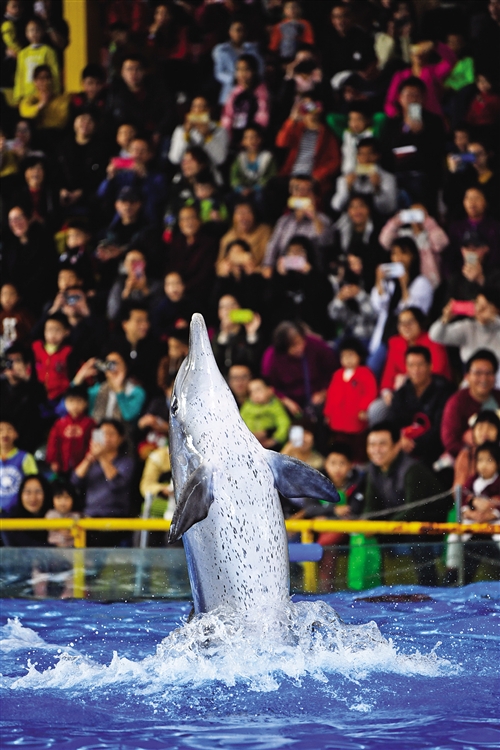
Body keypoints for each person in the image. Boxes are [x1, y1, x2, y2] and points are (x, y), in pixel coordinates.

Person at [363, 421, 451, 586]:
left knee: (416, 536)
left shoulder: (412, 470)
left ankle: (429, 590)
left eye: (382, 444)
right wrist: (367, 522)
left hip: (430, 527)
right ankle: (379, 589)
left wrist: (381, 529)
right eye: (372, 444)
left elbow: (413, 511)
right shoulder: (373, 469)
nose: (376, 450)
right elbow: (370, 505)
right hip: (397, 525)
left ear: (397, 446)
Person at [368, 237, 434, 377]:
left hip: (406, 339)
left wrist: (404, 286)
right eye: (394, 254)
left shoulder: (422, 282)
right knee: (371, 371)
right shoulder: (390, 282)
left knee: (374, 369)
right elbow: (378, 307)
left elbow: (415, 313)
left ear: (413, 256)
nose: (398, 258)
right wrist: (379, 281)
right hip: (385, 336)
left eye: (403, 253)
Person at [387, 345, 455, 466]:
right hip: (404, 447)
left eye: (420, 365)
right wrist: (400, 439)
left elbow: (440, 428)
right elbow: (392, 423)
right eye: (411, 365)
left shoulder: (445, 391)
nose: (415, 370)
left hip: (433, 450)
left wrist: (414, 443)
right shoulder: (401, 394)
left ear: (430, 366)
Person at [71, 419, 135, 547]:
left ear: (121, 438)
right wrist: (89, 458)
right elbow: (75, 481)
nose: (106, 438)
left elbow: (116, 484)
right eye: (103, 434)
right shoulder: (91, 462)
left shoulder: (126, 462)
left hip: (115, 518)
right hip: (89, 517)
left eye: (111, 434)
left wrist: (101, 457)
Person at [446, 441, 500, 585]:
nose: (484, 464)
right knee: (454, 537)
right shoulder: (472, 480)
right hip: (473, 519)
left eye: (489, 460)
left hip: (494, 521)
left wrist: (491, 513)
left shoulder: (498, 482)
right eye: (480, 460)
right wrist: (469, 512)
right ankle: (452, 570)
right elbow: (463, 499)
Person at [261, 321, 337, 418]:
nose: (300, 348)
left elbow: (334, 371)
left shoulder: (316, 345)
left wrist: (324, 392)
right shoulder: (271, 357)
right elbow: (269, 386)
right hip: (287, 403)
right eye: (294, 346)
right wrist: (285, 401)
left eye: (301, 342)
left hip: (317, 399)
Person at [429, 289, 500, 385]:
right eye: (477, 304)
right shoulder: (467, 327)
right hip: (472, 382)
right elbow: (435, 336)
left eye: (486, 306)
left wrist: (494, 319)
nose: (480, 309)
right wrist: (445, 318)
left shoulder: (498, 328)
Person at [263, 175, 334, 271]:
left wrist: (314, 217)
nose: (301, 194)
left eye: (307, 190)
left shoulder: (323, 220)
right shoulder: (283, 221)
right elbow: (273, 246)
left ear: (316, 197)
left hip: (310, 271)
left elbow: (326, 243)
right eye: (297, 190)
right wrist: (268, 265)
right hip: (283, 271)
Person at [324, 337, 377, 462]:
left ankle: (359, 465)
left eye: (351, 355)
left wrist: (364, 408)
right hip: (338, 418)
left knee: (358, 445)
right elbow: (331, 395)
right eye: (344, 356)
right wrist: (328, 413)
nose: (347, 359)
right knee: (341, 444)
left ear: (360, 356)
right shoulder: (337, 374)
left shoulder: (365, 373)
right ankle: (343, 463)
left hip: (356, 418)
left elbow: (370, 392)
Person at [440, 350, 500, 459]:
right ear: (467, 377)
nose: (483, 378)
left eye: (489, 373)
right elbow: (450, 441)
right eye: (478, 373)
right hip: (468, 459)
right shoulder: (456, 402)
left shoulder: (498, 397)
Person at [275, 96, 340, 196]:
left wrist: (317, 176)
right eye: (305, 108)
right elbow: (281, 142)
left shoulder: (327, 134)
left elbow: (334, 161)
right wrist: (292, 119)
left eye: (313, 107)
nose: (310, 112)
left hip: (313, 177)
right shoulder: (296, 127)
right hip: (292, 174)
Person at [72, 351, 146, 438]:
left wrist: (119, 390)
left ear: (125, 367)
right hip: (97, 438)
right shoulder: (97, 390)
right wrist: (80, 376)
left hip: (123, 439)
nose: (112, 367)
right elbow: (70, 404)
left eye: (116, 363)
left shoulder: (137, 392)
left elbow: (128, 415)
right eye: (108, 363)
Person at [270, 235, 333, 336]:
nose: (294, 256)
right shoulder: (279, 277)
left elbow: (323, 300)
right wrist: (280, 277)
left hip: (314, 330)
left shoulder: (319, 276)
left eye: (299, 252)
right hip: (287, 332)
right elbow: (272, 303)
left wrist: (309, 273)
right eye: (290, 252)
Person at [379, 204, 449, 289]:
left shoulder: (432, 233)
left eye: (420, 213)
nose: (416, 217)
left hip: (430, 283)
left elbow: (442, 243)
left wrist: (427, 221)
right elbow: (384, 241)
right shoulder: (403, 234)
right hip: (406, 281)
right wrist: (396, 220)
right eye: (413, 213)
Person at [384, 39, 456, 120]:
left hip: (432, 117)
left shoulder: (434, 71)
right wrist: (397, 116)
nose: (419, 55)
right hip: (408, 119)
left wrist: (435, 45)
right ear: (411, 55)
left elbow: (451, 61)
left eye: (422, 52)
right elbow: (389, 103)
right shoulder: (401, 76)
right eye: (415, 52)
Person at [331, 137, 397, 218]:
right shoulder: (347, 176)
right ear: (357, 156)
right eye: (361, 154)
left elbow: (389, 209)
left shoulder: (388, 178)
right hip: (351, 222)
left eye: (370, 154)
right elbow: (336, 207)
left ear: (378, 156)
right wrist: (347, 188)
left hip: (378, 220)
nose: (365, 159)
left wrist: (377, 189)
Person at [165, 205, 219, 305]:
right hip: (175, 291)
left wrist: (184, 288)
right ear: (180, 224)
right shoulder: (176, 243)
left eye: (191, 218)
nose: (188, 222)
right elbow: (170, 268)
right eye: (184, 219)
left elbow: (206, 274)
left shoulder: (208, 243)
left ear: (199, 220)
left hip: (199, 293)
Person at [0, 344, 46, 454]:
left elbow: (41, 405)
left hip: (26, 443)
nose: (12, 365)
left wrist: (26, 378)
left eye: (17, 361)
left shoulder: (35, 387)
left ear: (27, 364)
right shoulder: (1, 385)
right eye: (9, 361)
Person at [221, 54, 269, 147]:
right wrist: (227, 139)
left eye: (246, 69)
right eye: (238, 70)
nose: (242, 74)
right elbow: (227, 117)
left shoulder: (261, 92)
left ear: (254, 71)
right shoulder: (234, 92)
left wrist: (248, 139)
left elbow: (262, 119)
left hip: (252, 142)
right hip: (235, 139)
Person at [45, 386, 95, 476]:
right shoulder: (60, 423)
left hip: (85, 466)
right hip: (63, 464)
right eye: (71, 401)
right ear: (65, 403)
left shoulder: (91, 423)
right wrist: (54, 460)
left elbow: (93, 442)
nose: (75, 405)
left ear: (86, 403)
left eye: (79, 401)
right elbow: (53, 443)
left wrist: (90, 459)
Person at [168, 96, 229, 169]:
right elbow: (175, 159)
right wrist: (186, 134)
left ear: (208, 110)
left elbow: (220, 160)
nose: (197, 110)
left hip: (209, 173)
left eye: (201, 107)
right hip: (187, 172)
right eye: (194, 107)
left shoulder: (219, 130)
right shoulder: (181, 130)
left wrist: (207, 136)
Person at [213, 19, 264, 105]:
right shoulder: (221, 50)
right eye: (235, 30)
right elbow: (219, 72)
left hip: (251, 88)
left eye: (241, 30)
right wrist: (235, 79)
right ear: (230, 32)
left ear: (245, 32)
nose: (238, 33)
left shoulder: (253, 48)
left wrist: (250, 79)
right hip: (230, 89)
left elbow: (261, 67)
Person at [211, 295, 263, 378]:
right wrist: (224, 334)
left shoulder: (249, 333)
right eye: (224, 307)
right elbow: (214, 362)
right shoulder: (217, 336)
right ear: (219, 313)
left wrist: (251, 334)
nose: (229, 309)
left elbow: (254, 362)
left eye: (232, 305)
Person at [106, 249, 162, 322]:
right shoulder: (119, 284)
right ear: (125, 265)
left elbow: (159, 315)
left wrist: (145, 290)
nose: (135, 265)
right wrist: (126, 292)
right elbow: (113, 314)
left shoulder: (156, 285)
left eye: (138, 262)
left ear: (144, 264)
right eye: (132, 262)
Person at [13, 17, 60, 102]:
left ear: (42, 32)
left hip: (44, 94)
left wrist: (56, 91)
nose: (34, 33)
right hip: (27, 94)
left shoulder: (48, 51)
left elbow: (54, 72)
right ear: (26, 33)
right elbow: (20, 75)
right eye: (31, 30)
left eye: (37, 30)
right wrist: (18, 95)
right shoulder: (23, 53)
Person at [229, 125, 277, 205]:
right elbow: (234, 177)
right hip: (243, 190)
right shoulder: (240, 158)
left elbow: (271, 177)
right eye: (247, 138)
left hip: (261, 190)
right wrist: (240, 189)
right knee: (229, 198)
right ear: (243, 141)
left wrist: (254, 189)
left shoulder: (268, 157)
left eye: (254, 137)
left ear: (260, 139)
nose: (251, 141)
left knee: (259, 197)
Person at [218, 201, 272, 271]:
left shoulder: (265, 232)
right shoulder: (227, 238)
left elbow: (268, 262)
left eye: (248, 212)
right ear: (233, 217)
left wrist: (246, 259)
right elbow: (219, 266)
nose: (244, 217)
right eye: (239, 212)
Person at [31, 312, 72, 405]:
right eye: (49, 330)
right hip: (37, 395)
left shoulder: (69, 352)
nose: (52, 334)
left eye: (57, 330)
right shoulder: (36, 348)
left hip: (60, 397)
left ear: (66, 332)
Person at [240, 377, 291, 450]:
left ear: (270, 390)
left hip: (270, 443)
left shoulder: (275, 406)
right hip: (249, 443)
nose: (255, 394)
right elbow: (239, 422)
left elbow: (284, 423)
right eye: (251, 392)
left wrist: (275, 440)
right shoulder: (246, 407)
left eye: (258, 390)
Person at [453, 411, 500, 489]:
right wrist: (471, 500)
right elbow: (458, 489)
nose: (485, 432)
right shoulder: (466, 455)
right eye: (480, 427)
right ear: (473, 432)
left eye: (490, 427)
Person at [1, 475, 51, 549]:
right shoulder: (8, 521)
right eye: (28, 492)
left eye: (38, 491)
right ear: (20, 494)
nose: (33, 498)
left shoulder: (56, 519)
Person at [0, 419, 38, 514]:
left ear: (16, 434)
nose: (5, 434)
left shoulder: (25, 457)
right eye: (0, 430)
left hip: (19, 512)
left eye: (9, 429)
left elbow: (34, 484)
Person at [45, 482, 81, 549]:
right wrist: (61, 528)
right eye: (58, 498)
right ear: (52, 499)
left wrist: (73, 532)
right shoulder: (50, 514)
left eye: (67, 498)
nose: (63, 502)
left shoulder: (76, 515)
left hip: (72, 550)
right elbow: (48, 526)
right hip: (54, 550)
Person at [0, 283, 35, 350]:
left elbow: (32, 332)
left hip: (21, 350)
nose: (7, 297)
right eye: (4, 294)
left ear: (18, 297)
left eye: (11, 294)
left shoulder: (23, 315)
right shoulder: (1, 315)